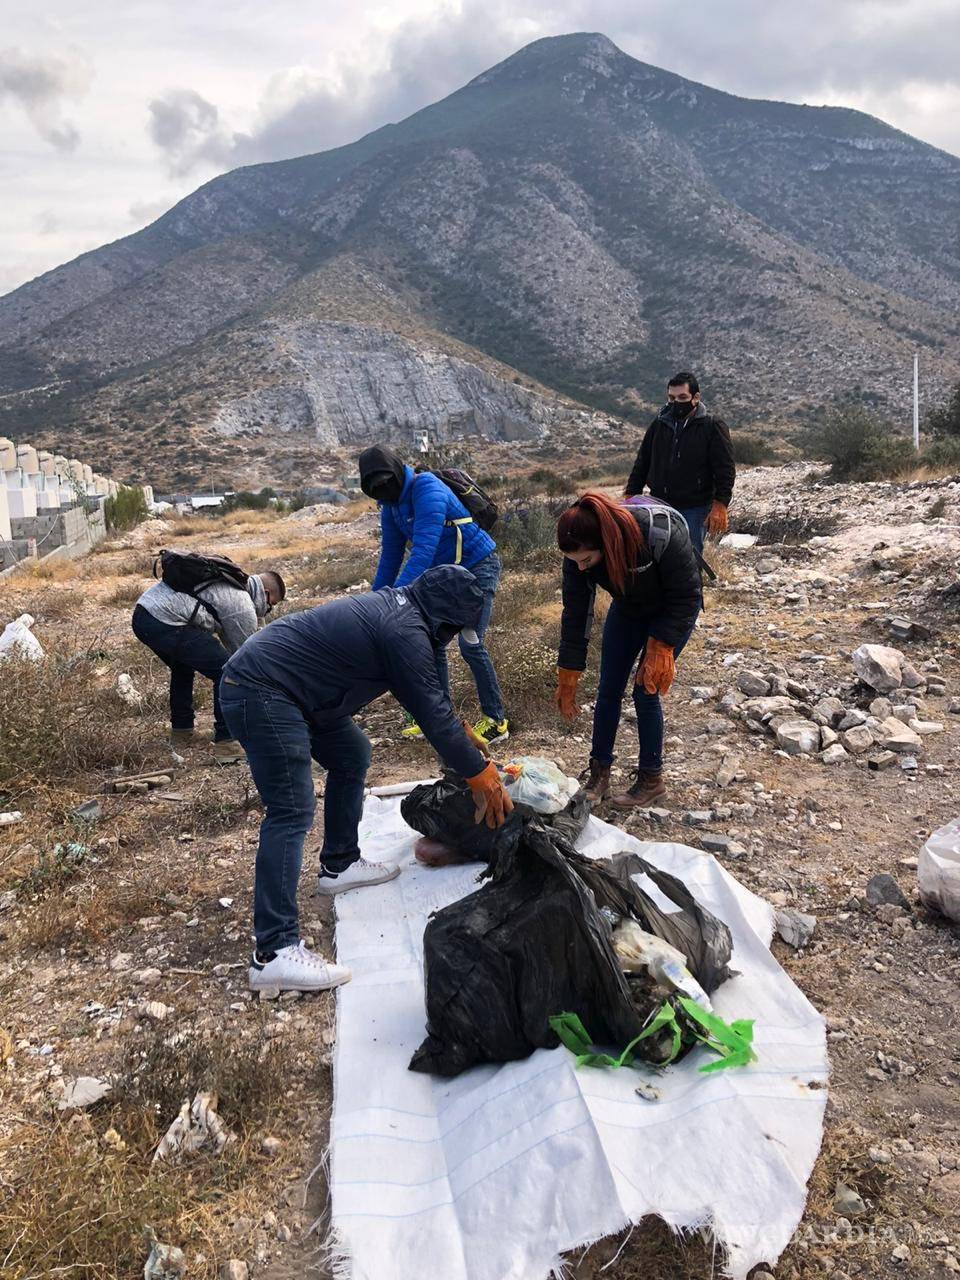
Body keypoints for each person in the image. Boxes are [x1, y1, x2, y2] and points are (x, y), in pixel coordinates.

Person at [219, 564, 513, 993]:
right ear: (446, 619)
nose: (451, 638)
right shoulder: (404, 630)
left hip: (298, 693)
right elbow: (431, 715)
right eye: (454, 630)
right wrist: (479, 773)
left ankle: (339, 864)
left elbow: (431, 695)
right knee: (291, 807)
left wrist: (461, 728)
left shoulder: (408, 614)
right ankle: (274, 953)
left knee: (352, 752)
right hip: (261, 690)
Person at [553, 491, 701, 810]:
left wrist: (662, 645)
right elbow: (576, 613)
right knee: (608, 689)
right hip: (628, 609)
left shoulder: (658, 533)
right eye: (574, 562)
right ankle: (599, 774)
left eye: (587, 561)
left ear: (605, 544)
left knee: (645, 691)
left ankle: (651, 781)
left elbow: (688, 595)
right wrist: (569, 669)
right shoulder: (578, 558)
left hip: (671, 611)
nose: (580, 569)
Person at [358, 445, 509, 747]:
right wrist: (372, 604)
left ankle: (497, 720)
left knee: (471, 643)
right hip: (447, 579)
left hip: (478, 566)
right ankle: (441, 717)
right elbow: (390, 557)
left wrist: (394, 599)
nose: (384, 490)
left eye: (387, 482)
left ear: (398, 472)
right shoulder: (391, 507)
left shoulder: (427, 488)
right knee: (433, 643)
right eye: (376, 489)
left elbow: (423, 552)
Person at [132, 565, 285, 763]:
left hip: (143, 615)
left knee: (182, 666)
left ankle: (181, 731)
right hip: (162, 620)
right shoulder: (242, 604)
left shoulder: (231, 584)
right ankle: (227, 743)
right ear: (265, 593)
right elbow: (243, 659)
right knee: (227, 673)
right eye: (271, 604)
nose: (268, 611)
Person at [624, 372, 735, 556]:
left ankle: (693, 586)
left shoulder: (712, 426)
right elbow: (642, 462)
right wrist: (630, 495)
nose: (676, 402)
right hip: (659, 504)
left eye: (682, 397)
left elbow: (725, 468)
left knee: (689, 557)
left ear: (696, 397)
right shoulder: (659, 424)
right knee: (658, 554)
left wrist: (721, 504)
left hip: (695, 507)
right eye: (671, 398)